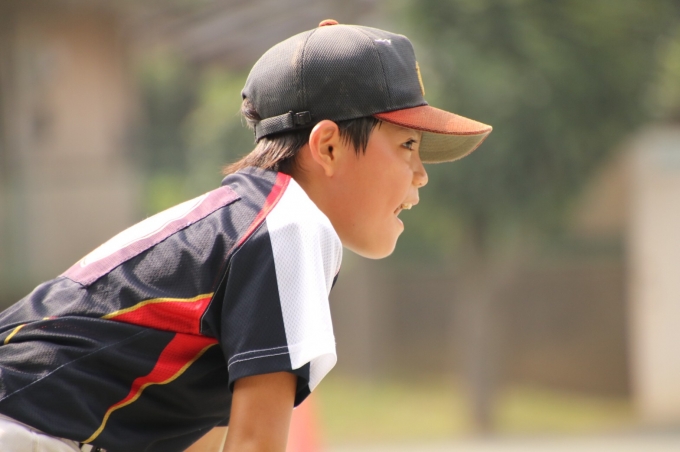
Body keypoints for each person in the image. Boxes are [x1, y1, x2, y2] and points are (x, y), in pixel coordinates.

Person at [0, 19, 491, 452]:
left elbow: (209, 438)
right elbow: (256, 444)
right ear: (328, 147)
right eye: (407, 144)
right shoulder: (290, 226)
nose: (421, 174)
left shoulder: (252, 219)